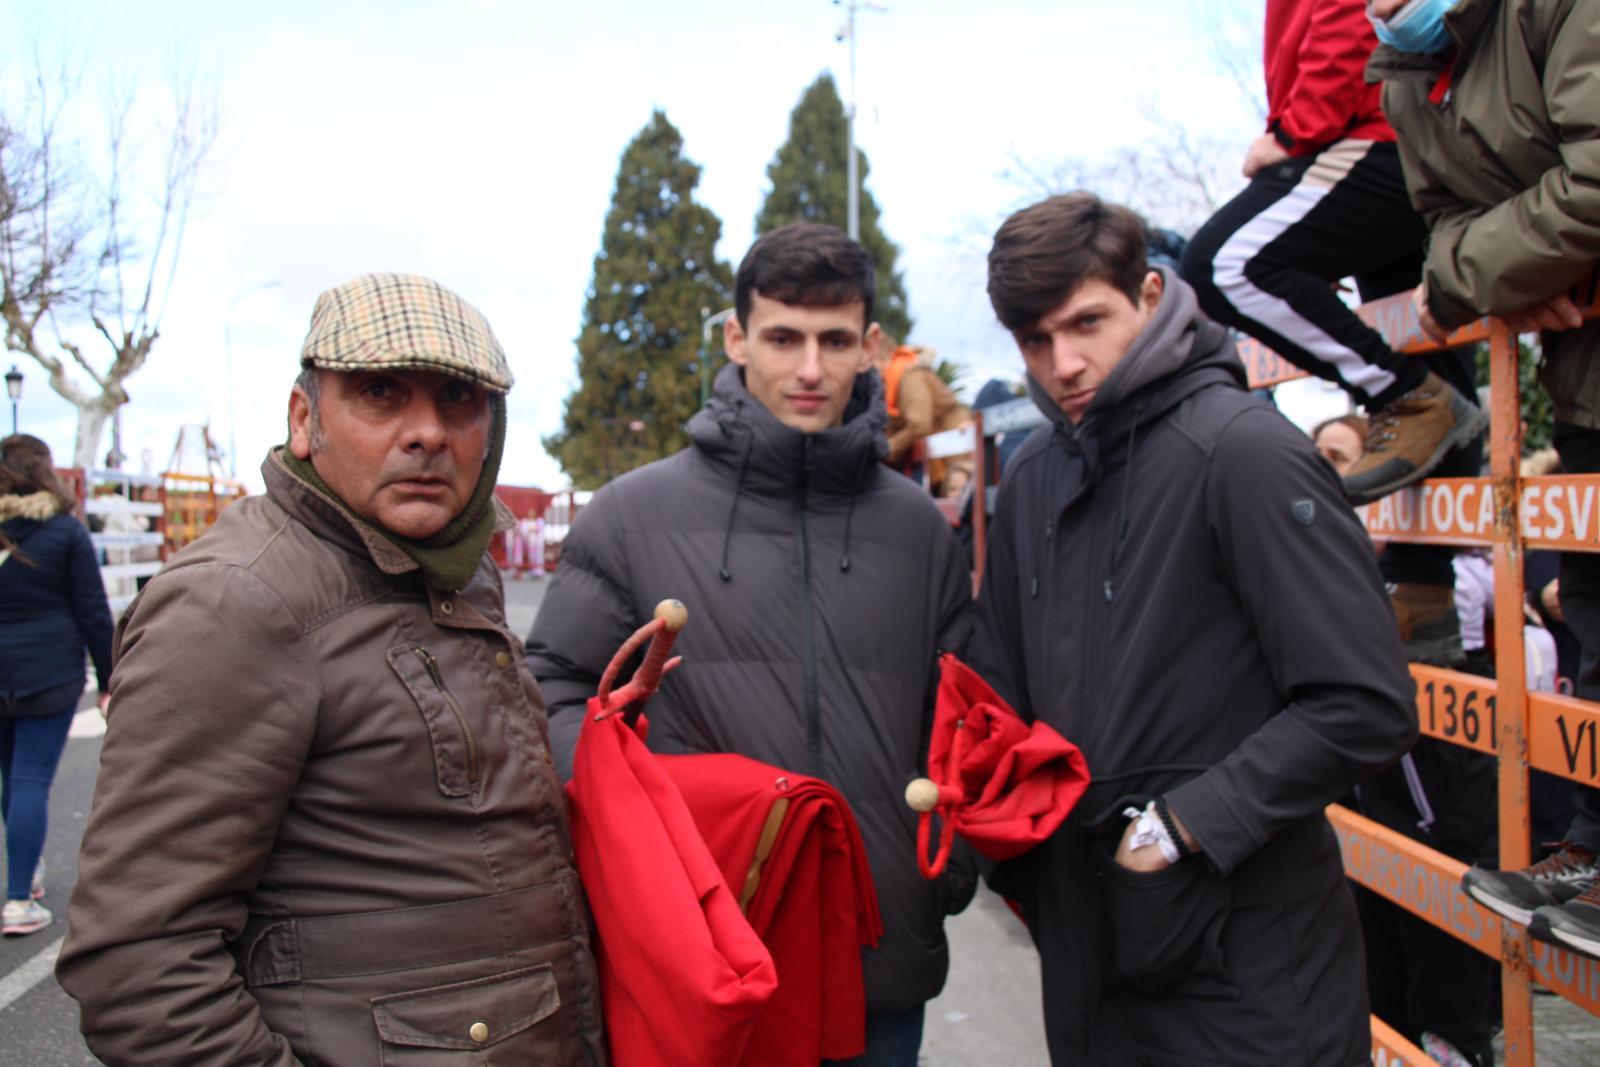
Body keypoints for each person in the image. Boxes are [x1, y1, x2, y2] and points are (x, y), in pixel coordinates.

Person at [57, 274, 605, 1066]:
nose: (427, 432)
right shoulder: (237, 601)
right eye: (380, 393)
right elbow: (140, 968)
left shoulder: (445, 567)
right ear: (304, 419)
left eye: (459, 398)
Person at [974, 193, 1417, 1066]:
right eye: (1035, 341)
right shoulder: (1030, 480)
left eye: (1086, 322)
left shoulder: (1243, 451)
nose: (1064, 363)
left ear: (1148, 294)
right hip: (1092, 958)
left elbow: (1365, 701)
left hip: (1251, 963)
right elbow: (1003, 694)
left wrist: (1177, 828)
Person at [526, 222, 973, 1066]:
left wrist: (946, 868)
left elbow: (964, 720)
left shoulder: (918, 530)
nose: (810, 368)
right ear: (737, 338)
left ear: (872, 347)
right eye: (783, 338)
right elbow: (548, 691)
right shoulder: (629, 515)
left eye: (835, 340)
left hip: (882, 964)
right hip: (707, 957)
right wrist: (644, 832)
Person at [1366, 0, 1600, 962]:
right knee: (1589, 607)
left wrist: (1476, 265)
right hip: (1583, 380)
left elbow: (1591, 187)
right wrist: (1496, 268)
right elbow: (1440, 226)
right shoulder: (1406, 62)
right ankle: (1588, 855)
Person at [1181, 0, 1486, 664]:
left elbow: (1349, 14)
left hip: (1380, 130)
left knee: (1224, 262)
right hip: (1394, 126)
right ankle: (1424, 591)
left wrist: (1295, 134)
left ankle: (1403, 393)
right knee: (1424, 333)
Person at [0, 436, 112, 936]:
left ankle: (29, 870)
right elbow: (91, 609)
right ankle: (19, 899)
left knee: (11, 776)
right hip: (50, 670)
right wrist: (110, 676)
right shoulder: (65, 531)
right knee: (31, 779)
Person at [878, 343, 970, 494]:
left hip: (954, 457)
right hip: (944, 459)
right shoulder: (894, 382)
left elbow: (919, 423)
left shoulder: (908, 375)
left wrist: (888, 448)